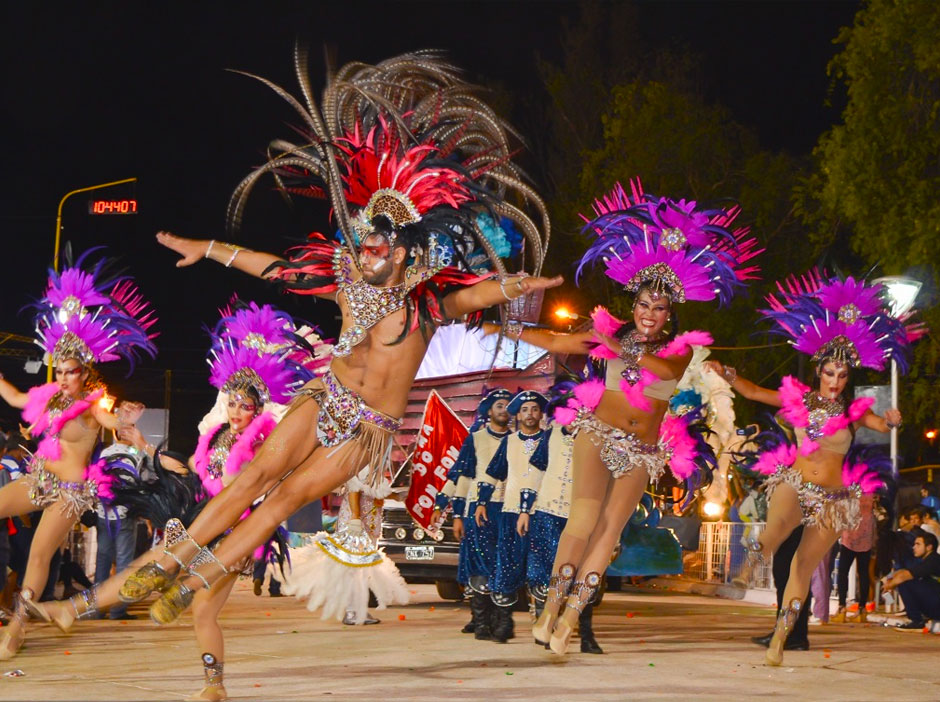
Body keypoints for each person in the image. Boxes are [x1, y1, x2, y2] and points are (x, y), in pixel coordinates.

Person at [118, 51, 557, 627]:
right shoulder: (347, 282)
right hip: (326, 397)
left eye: (377, 246)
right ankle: (171, 561)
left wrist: (521, 283)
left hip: (369, 430)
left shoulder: (427, 303)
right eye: (364, 241)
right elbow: (278, 269)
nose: (365, 250)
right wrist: (209, 249)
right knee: (253, 477)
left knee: (283, 499)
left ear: (401, 252)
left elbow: (479, 296)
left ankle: (191, 585)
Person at [510, 181, 756, 655]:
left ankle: (570, 624)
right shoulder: (609, 334)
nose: (649, 313)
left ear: (670, 313)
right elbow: (561, 343)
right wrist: (506, 326)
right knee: (580, 519)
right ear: (634, 303)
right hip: (596, 433)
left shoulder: (677, 351)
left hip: (643, 450)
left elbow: (663, 370)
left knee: (609, 531)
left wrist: (625, 347)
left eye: (658, 307)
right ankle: (548, 611)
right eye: (643, 304)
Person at [45, 300, 323, 701]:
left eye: (247, 405)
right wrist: (143, 445)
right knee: (149, 570)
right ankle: (72, 608)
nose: (239, 411)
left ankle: (214, 685)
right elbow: (190, 472)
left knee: (203, 610)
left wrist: (253, 540)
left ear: (259, 408)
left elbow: (268, 491)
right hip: (201, 518)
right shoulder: (216, 436)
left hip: (237, 530)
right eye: (234, 402)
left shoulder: (266, 442)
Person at [706, 270, 910, 666]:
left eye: (843, 374)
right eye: (830, 372)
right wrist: (728, 374)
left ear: (848, 377)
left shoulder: (854, 411)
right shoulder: (797, 402)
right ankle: (747, 569)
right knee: (778, 527)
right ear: (818, 371)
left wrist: (894, 419)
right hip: (796, 483)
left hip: (834, 500)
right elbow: (752, 392)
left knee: (802, 567)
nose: (835, 380)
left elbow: (882, 425)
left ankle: (781, 639)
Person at [0, 247, 156, 659]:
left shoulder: (92, 404)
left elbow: (109, 420)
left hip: (70, 492)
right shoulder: (50, 398)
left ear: (85, 372)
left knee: (38, 553)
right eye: (61, 369)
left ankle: (17, 628)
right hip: (38, 480)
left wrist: (125, 423)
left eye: (73, 371)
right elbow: (16, 396)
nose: (65, 377)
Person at [283, 464, 408, 625]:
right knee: (353, 569)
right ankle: (351, 611)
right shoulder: (363, 465)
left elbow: (374, 491)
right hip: (356, 526)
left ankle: (359, 611)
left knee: (362, 570)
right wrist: (355, 517)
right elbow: (354, 489)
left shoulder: (375, 468)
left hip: (368, 525)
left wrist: (397, 496)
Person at [432, 388, 512, 639]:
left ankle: (498, 621)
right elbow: (461, 476)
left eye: (508, 406)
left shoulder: (519, 441)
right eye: (499, 405)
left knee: (504, 565)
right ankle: (480, 622)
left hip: (508, 511)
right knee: (479, 564)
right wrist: (450, 511)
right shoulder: (475, 440)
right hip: (478, 511)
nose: (504, 410)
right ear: (489, 411)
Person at [526, 408, 603, 653]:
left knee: (583, 573)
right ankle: (545, 628)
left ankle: (586, 636)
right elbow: (536, 473)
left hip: (580, 515)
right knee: (546, 572)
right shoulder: (551, 435)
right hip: (547, 512)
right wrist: (524, 510)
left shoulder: (596, 438)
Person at [474, 390, 548, 643]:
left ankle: (542, 626)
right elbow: (493, 471)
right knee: (507, 566)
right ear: (518, 413)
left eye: (535, 409)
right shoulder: (510, 442)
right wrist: (482, 502)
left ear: (541, 414)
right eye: (525, 409)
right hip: (510, 512)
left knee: (541, 567)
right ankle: (505, 624)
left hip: (542, 513)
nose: (530, 414)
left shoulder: (550, 440)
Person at [831, 493, 875, 623]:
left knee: (843, 572)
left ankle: (842, 608)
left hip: (849, 538)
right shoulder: (871, 491)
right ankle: (862, 609)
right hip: (866, 538)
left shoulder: (849, 491)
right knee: (863, 574)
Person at [883, 530, 940, 630]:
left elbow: (904, 576)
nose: (914, 547)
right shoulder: (926, 560)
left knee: (905, 582)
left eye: (918, 544)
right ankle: (919, 617)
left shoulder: (933, 560)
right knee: (905, 580)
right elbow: (903, 572)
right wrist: (890, 579)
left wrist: (889, 586)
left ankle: (917, 620)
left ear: (929, 547)